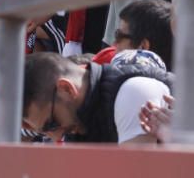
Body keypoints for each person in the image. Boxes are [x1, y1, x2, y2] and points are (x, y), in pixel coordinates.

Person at [22, 51, 171, 143]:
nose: (56, 136)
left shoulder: (133, 92)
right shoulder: (82, 123)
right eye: (42, 131)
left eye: (52, 124)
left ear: (66, 89)